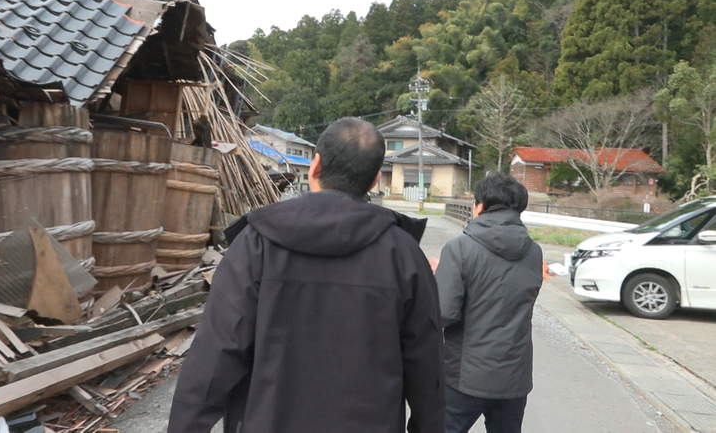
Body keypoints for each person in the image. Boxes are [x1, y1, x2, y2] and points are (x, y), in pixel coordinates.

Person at [168, 117, 445, 433]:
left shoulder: (257, 243)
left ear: (315, 166)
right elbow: (427, 368)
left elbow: (213, 355)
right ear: (374, 181)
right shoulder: (404, 254)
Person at [434, 173, 543, 433]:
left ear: (479, 206)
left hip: (466, 375)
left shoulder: (460, 248)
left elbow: (443, 313)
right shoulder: (534, 251)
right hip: (515, 377)